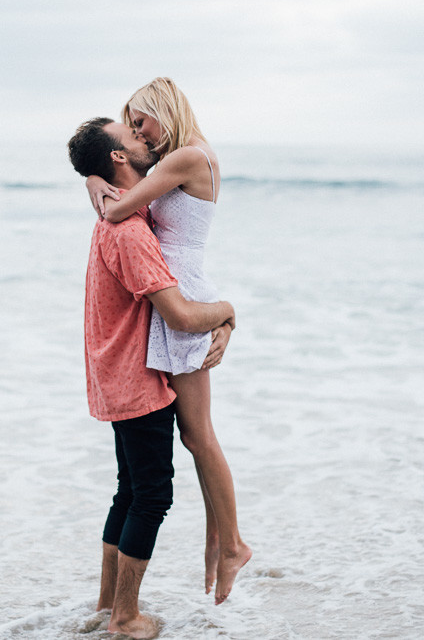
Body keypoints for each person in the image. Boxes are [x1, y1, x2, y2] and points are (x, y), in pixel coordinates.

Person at [85, 78, 252, 605]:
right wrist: (93, 173)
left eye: (142, 121)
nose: (139, 132)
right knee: (193, 437)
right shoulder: (179, 159)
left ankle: (233, 546)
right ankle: (218, 541)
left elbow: (117, 207)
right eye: (131, 126)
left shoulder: (184, 157)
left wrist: (95, 180)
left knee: (199, 435)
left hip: (179, 296)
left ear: (165, 110)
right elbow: (122, 184)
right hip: (171, 294)